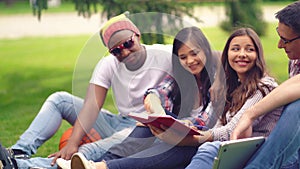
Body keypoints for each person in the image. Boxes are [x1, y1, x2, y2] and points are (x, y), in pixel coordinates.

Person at [66, 27, 282, 169]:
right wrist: (157, 110)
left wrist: (183, 130)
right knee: (147, 125)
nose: (190, 61)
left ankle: (101, 166)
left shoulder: (249, 85)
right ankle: (99, 164)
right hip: (207, 138)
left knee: (175, 145)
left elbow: (220, 127)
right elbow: (158, 92)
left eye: (195, 53)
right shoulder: (223, 80)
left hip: (226, 145)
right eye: (183, 57)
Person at [0, 12, 174, 169]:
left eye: (128, 43)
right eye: (116, 51)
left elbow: (196, 61)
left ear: (137, 35)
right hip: (117, 122)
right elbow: (92, 105)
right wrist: (72, 142)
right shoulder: (108, 64)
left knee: (89, 150)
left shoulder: (165, 55)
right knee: (59, 100)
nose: (125, 52)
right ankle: (16, 153)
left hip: (142, 129)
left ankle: (20, 166)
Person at [183, 27, 284, 169]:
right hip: (234, 147)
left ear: (258, 55)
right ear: (227, 54)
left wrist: (192, 139)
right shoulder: (232, 86)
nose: (242, 54)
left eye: (249, 49)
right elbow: (219, 125)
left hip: (259, 150)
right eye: (235, 49)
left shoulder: (264, 87)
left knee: (208, 150)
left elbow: (232, 130)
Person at [231, 1, 300, 169]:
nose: (279, 45)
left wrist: (250, 115)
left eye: (286, 40)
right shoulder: (295, 62)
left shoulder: (263, 86)